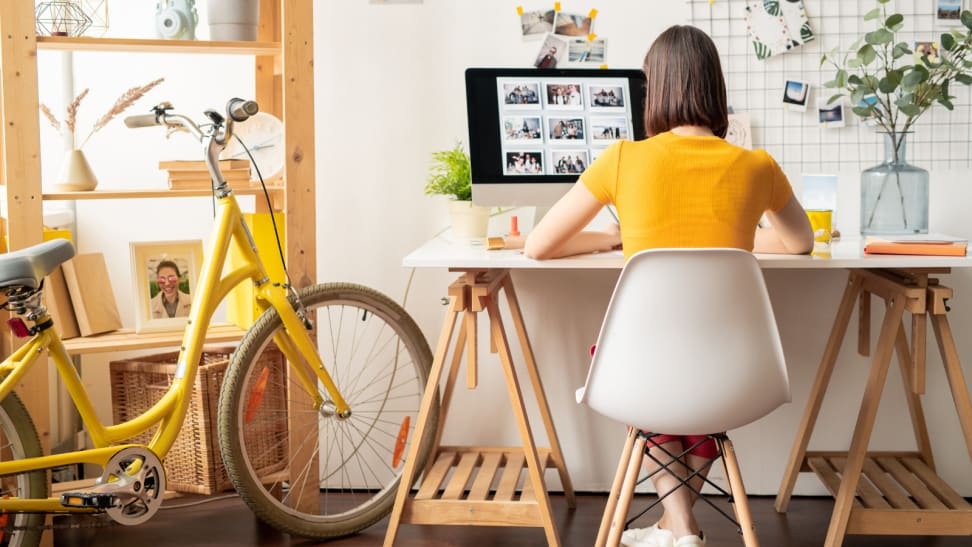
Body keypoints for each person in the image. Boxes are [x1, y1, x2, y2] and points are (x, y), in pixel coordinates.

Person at [523, 25, 813, 547]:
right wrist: (741, 240)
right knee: (697, 366)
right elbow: (800, 243)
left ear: (654, 89)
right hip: (735, 374)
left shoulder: (623, 159)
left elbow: (538, 245)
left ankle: (678, 529)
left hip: (638, 374)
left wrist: (614, 235)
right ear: (715, 89)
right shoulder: (757, 166)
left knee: (640, 361)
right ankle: (680, 527)